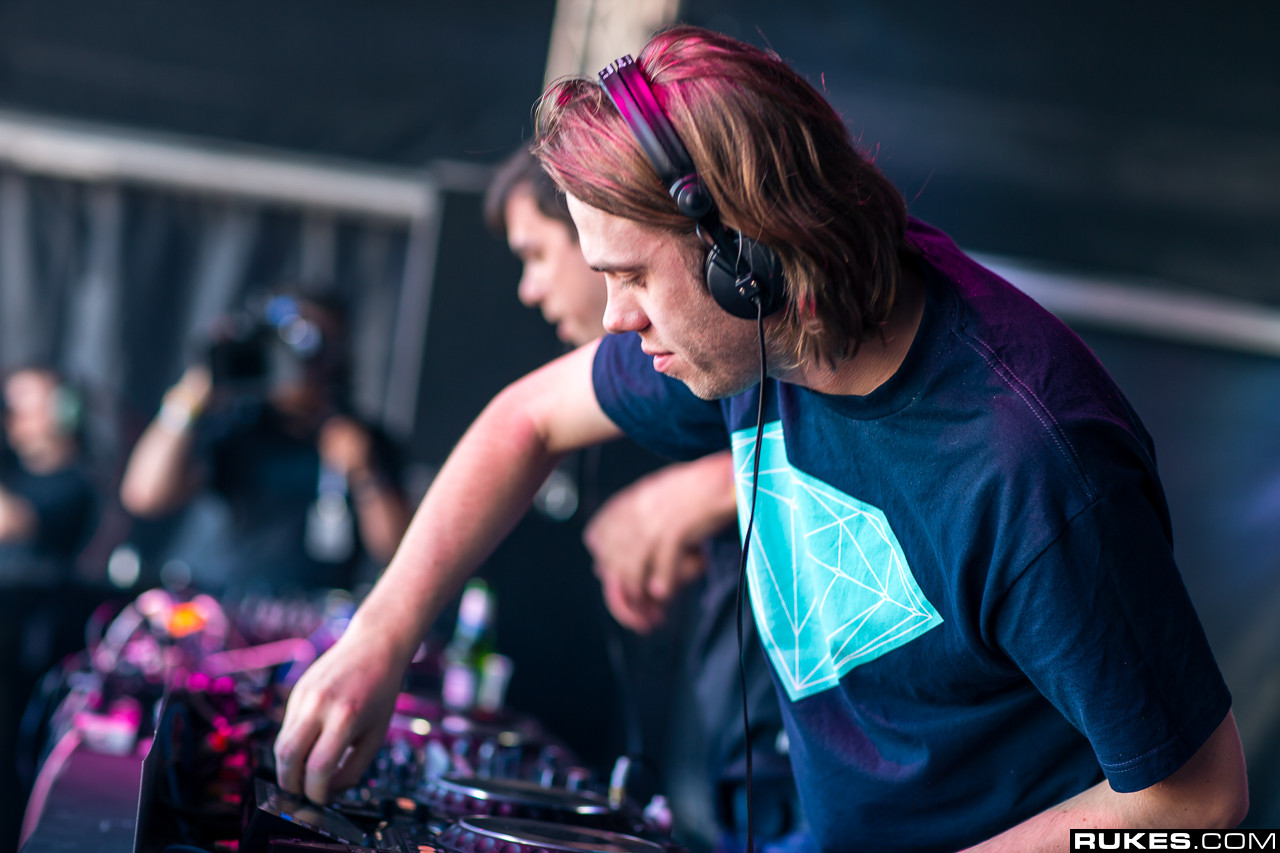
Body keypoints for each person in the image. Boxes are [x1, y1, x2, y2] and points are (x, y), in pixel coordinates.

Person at [273, 26, 1248, 852]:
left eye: (633, 277)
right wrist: (380, 637)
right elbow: (524, 420)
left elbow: (1198, 800)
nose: (614, 318)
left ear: (747, 257)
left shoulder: (1034, 468)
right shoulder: (763, 329)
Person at [484, 147, 804, 848]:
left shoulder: (734, 349)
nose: (529, 289)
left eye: (536, 255)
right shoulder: (647, 378)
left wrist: (711, 487)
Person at [119, 291, 411, 596]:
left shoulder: (365, 441)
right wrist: (195, 390)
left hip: (318, 611)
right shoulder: (237, 429)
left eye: (311, 343)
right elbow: (145, 496)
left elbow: (397, 552)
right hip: (226, 602)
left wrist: (365, 474)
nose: (294, 362)